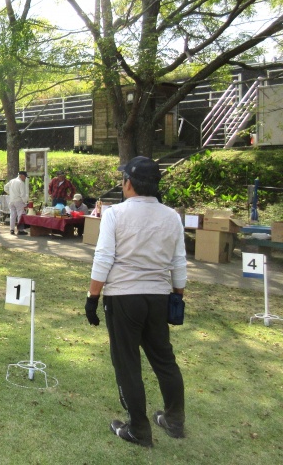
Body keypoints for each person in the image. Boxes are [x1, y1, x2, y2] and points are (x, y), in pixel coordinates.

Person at [85, 156, 187, 448]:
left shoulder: (116, 213)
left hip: (123, 296)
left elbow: (104, 257)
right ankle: (174, 419)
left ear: (128, 183)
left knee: (127, 362)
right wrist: (177, 296)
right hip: (158, 296)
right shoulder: (171, 216)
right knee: (164, 360)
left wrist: (92, 296)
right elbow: (179, 262)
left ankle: (139, 429)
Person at [4, 170, 29, 235]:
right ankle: (20, 230)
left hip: (12, 200)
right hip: (18, 201)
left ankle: (12, 229)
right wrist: (25, 201)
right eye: (25, 176)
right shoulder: (21, 183)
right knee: (20, 215)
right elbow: (22, 195)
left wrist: (11, 193)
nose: (25, 178)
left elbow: (5, 188)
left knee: (12, 215)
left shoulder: (12, 181)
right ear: (21, 176)